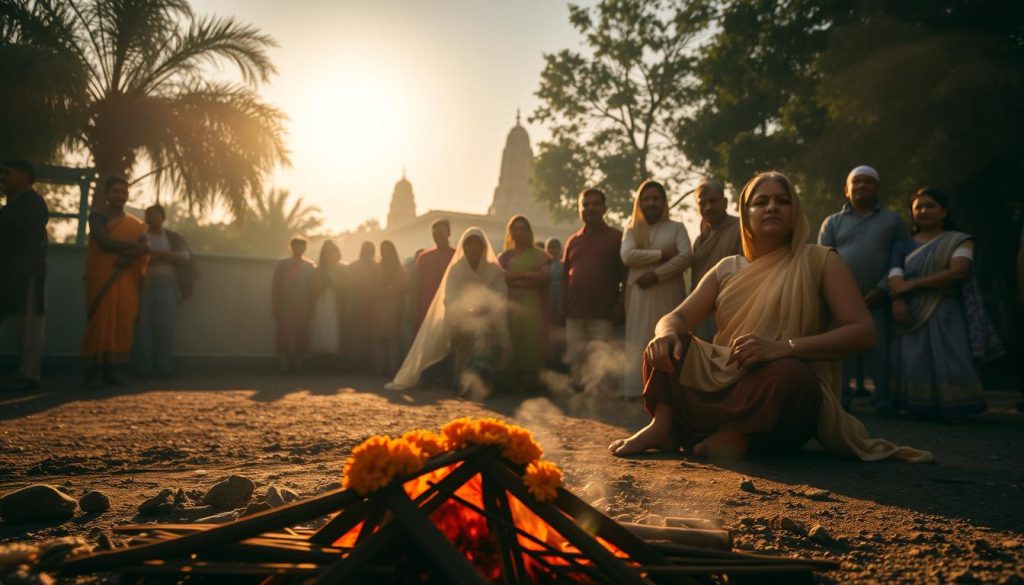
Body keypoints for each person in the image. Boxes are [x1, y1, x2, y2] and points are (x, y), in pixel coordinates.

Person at [608, 171, 931, 463]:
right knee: (668, 345)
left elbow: (863, 333)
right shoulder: (727, 268)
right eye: (761, 202)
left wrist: (783, 348)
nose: (772, 207)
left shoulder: (820, 260)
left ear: (795, 212)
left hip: (776, 391)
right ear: (746, 216)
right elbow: (675, 317)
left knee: (794, 378)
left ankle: (740, 435)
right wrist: (665, 333)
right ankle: (663, 426)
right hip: (726, 377)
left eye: (782, 201)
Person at [889, 188, 1003, 419]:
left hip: (947, 310)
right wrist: (898, 301)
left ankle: (958, 407)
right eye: (918, 207)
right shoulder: (902, 246)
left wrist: (912, 286)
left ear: (944, 211)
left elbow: (958, 272)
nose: (923, 211)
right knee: (914, 359)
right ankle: (919, 406)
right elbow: (894, 278)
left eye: (930, 206)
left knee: (953, 357)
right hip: (912, 314)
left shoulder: (959, 240)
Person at [818, 166, 908, 412]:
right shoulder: (832, 223)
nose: (862, 186)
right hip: (841, 300)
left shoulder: (893, 220)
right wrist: (839, 295)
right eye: (856, 182)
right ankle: (841, 401)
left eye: (868, 182)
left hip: (880, 297)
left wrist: (882, 289)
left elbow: (899, 258)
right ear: (846, 190)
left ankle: (883, 402)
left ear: (877, 188)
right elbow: (824, 259)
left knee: (880, 350)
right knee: (841, 350)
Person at [389, 227, 510, 391]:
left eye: (477, 245)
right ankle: (463, 379)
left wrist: (485, 308)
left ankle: (483, 379)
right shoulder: (456, 269)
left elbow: (501, 293)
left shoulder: (493, 269)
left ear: (483, 247)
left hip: (489, 317)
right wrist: (467, 311)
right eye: (469, 244)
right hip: (460, 317)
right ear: (464, 247)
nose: (473, 248)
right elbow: (450, 297)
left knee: (487, 333)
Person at [620, 180, 692, 398]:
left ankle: (669, 393)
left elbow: (686, 256)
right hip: (639, 294)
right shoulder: (631, 229)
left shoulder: (676, 228)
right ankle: (636, 391)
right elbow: (627, 256)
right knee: (638, 340)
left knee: (667, 338)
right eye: (646, 199)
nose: (651, 203)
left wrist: (656, 274)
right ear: (639, 202)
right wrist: (661, 254)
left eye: (656, 199)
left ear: (663, 202)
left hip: (668, 291)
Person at [81, 176, 150, 387]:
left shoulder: (135, 224)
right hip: (101, 275)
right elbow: (103, 242)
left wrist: (128, 256)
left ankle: (111, 372)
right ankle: (91, 374)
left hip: (125, 276)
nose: (120, 195)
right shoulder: (97, 216)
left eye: (123, 192)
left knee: (121, 320)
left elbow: (145, 249)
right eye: (115, 191)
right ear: (107, 194)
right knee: (99, 321)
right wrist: (130, 245)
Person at [561, 188, 626, 389]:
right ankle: (579, 402)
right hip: (575, 312)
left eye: (595, 204)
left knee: (602, 359)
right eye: (585, 204)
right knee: (576, 357)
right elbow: (564, 277)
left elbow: (626, 276)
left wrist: (621, 304)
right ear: (580, 209)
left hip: (603, 313)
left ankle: (602, 401)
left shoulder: (617, 237)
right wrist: (562, 307)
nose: (590, 208)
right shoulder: (573, 240)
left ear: (604, 208)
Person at [0, 160, 48, 391]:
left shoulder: (32, 203)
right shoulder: (14, 204)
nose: (3, 178)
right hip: (10, 273)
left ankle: (29, 374)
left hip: (26, 272)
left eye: (8, 173)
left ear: (26, 176)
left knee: (29, 325)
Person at [133, 204, 193, 378]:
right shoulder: (141, 237)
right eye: (148, 215)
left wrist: (157, 255)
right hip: (144, 287)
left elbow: (185, 257)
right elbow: (137, 255)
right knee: (143, 327)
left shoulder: (173, 237)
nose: (150, 219)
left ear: (163, 217)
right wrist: (164, 256)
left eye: (154, 215)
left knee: (166, 327)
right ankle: (144, 368)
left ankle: (163, 366)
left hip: (168, 286)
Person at [498, 215, 551, 385]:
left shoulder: (539, 255)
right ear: (510, 233)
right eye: (515, 229)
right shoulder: (504, 257)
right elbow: (501, 278)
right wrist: (529, 277)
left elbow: (545, 276)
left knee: (531, 339)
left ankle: (531, 381)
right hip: (510, 304)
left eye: (523, 229)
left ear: (529, 232)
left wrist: (518, 276)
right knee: (512, 338)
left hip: (532, 305)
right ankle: (511, 380)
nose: (519, 232)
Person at [689, 181, 741, 341]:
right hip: (703, 309)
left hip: (732, 306)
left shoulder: (740, 229)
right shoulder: (699, 240)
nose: (708, 207)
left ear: (725, 202)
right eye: (702, 203)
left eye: (713, 201)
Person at [271, 237, 314, 373]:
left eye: (303, 246)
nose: (300, 249)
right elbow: (275, 286)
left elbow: (312, 288)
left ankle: (298, 365)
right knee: (284, 334)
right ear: (292, 247)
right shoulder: (282, 264)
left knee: (300, 334)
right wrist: (275, 304)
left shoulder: (309, 266)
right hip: (285, 305)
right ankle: (284, 366)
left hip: (302, 305)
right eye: (297, 246)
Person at [373, 240, 408, 375]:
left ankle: (392, 369)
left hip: (393, 307)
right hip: (378, 308)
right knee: (378, 339)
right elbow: (371, 286)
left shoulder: (399, 269)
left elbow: (399, 288)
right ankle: (380, 368)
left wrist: (386, 291)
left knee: (393, 339)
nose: (385, 252)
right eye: (383, 250)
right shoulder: (377, 267)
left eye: (388, 249)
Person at [414, 220, 456, 329]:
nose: (438, 236)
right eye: (435, 233)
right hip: (427, 308)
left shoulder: (456, 256)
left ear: (449, 233)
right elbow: (416, 285)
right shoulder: (424, 257)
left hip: (451, 307)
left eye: (442, 232)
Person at [345, 241, 378, 372]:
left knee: (370, 335)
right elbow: (348, 284)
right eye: (366, 250)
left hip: (372, 306)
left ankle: (368, 364)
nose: (368, 253)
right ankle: (356, 364)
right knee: (356, 334)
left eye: (370, 250)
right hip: (356, 304)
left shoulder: (377, 267)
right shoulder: (353, 266)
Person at [309, 240, 346, 357]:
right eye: (327, 252)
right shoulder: (317, 270)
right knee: (320, 329)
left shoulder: (343, 269)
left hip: (338, 304)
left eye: (332, 252)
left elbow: (348, 286)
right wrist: (324, 282)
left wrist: (335, 283)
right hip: (321, 303)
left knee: (335, 331)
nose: (330, 254)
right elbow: (313, 288)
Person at [545, 237, 566, 371]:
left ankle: (560, 364)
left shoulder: (564, 265)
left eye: (555, 247)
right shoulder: (544, 265)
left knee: (560, 335)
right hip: (547, 303)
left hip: (560, 302)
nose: (552, 250)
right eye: (550, 248)